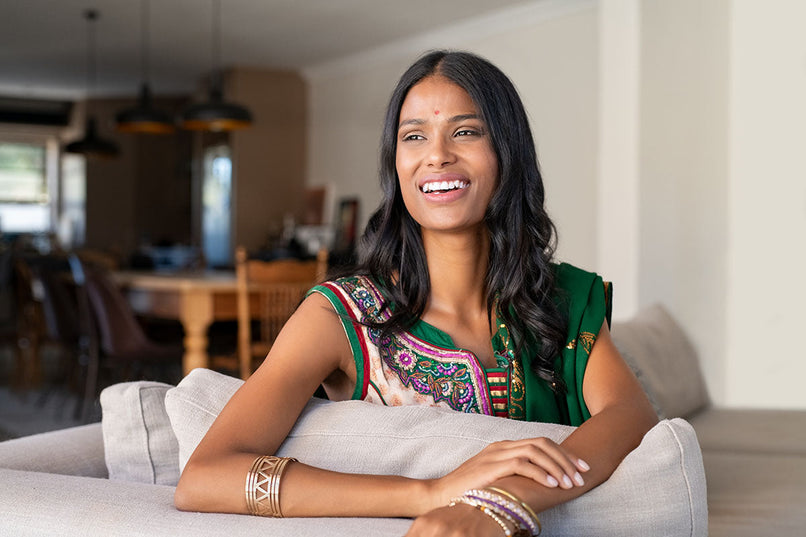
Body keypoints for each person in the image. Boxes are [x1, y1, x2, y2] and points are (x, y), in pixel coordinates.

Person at [174, 50, 658, 536]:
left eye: (466, 131)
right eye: (414, 136)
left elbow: (630, 414)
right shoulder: (339, 316)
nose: (437, 154)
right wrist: (427, 493)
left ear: (509, 153)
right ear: (396, 163)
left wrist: (502, 502)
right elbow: (204, 478)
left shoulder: (562, 299)